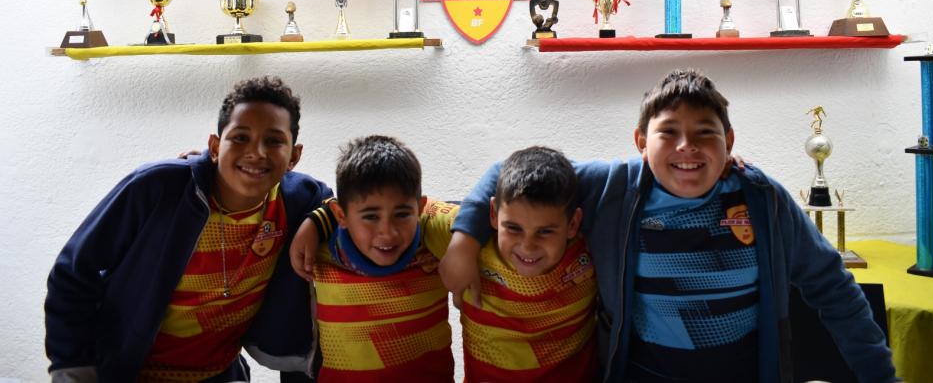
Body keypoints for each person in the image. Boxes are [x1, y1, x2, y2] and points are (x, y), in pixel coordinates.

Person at [440, 68, 898, 383]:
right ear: (641, 141)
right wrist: (462, 240)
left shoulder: (762, 199)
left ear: (729, 141)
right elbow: (512, 168)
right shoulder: (610, 188)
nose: (687, 147)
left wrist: (881, 376)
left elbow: (833, 288)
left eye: (705, 132)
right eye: (668, 133)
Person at [45, 76, 333, 382]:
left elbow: (344, 210)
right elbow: (73, 272)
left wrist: (315, 221)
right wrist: (74, 369)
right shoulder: (157, 188)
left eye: (274, 141)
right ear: (214, 146)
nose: (256, 152)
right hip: (126, 373)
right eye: (239, 138)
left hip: (219, 374)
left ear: (294, 156)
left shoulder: (299, 200)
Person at [300, 135, 454, 382]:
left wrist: (460, 251)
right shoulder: (319, 250)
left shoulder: (432, 241)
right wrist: (315, 220)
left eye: (402, 214)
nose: (388, 232)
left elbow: (479, 217)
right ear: (341, 215)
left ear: (420, 209)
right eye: (371, 217)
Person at [451, 145, 598, 382]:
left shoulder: (593, 247)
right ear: (493, 214)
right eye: (513, 228)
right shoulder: (466, 237)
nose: (528, 246)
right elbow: (412, 215)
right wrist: (460, 245)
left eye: (546, 231)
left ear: (573, 224)